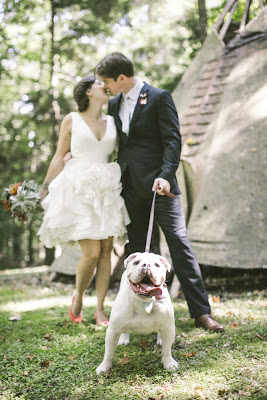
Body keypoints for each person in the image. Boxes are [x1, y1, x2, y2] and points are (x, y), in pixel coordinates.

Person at [94, 52, 224, 332]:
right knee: (138, 253)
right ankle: (139, 313)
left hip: (160, 188)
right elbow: (120, 144)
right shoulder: (114, 103)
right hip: (130, 188)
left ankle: (201, 312)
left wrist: (166, 176)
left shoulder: (158, 97)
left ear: (121, 78)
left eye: (107, 82)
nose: (105, 88)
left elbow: (172, 141)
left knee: (179, 245)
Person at [37, 75, 130, 326]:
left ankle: (100, 309)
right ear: (88, 92)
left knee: (107, 252)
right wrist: (43, 189)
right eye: (100, 84)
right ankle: (78, 297)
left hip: (107, 187)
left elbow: (124, 154)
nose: (105, 86)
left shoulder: (113, 121)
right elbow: (59, 157)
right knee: (91, 253)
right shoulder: (71, 119)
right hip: (79, 187)